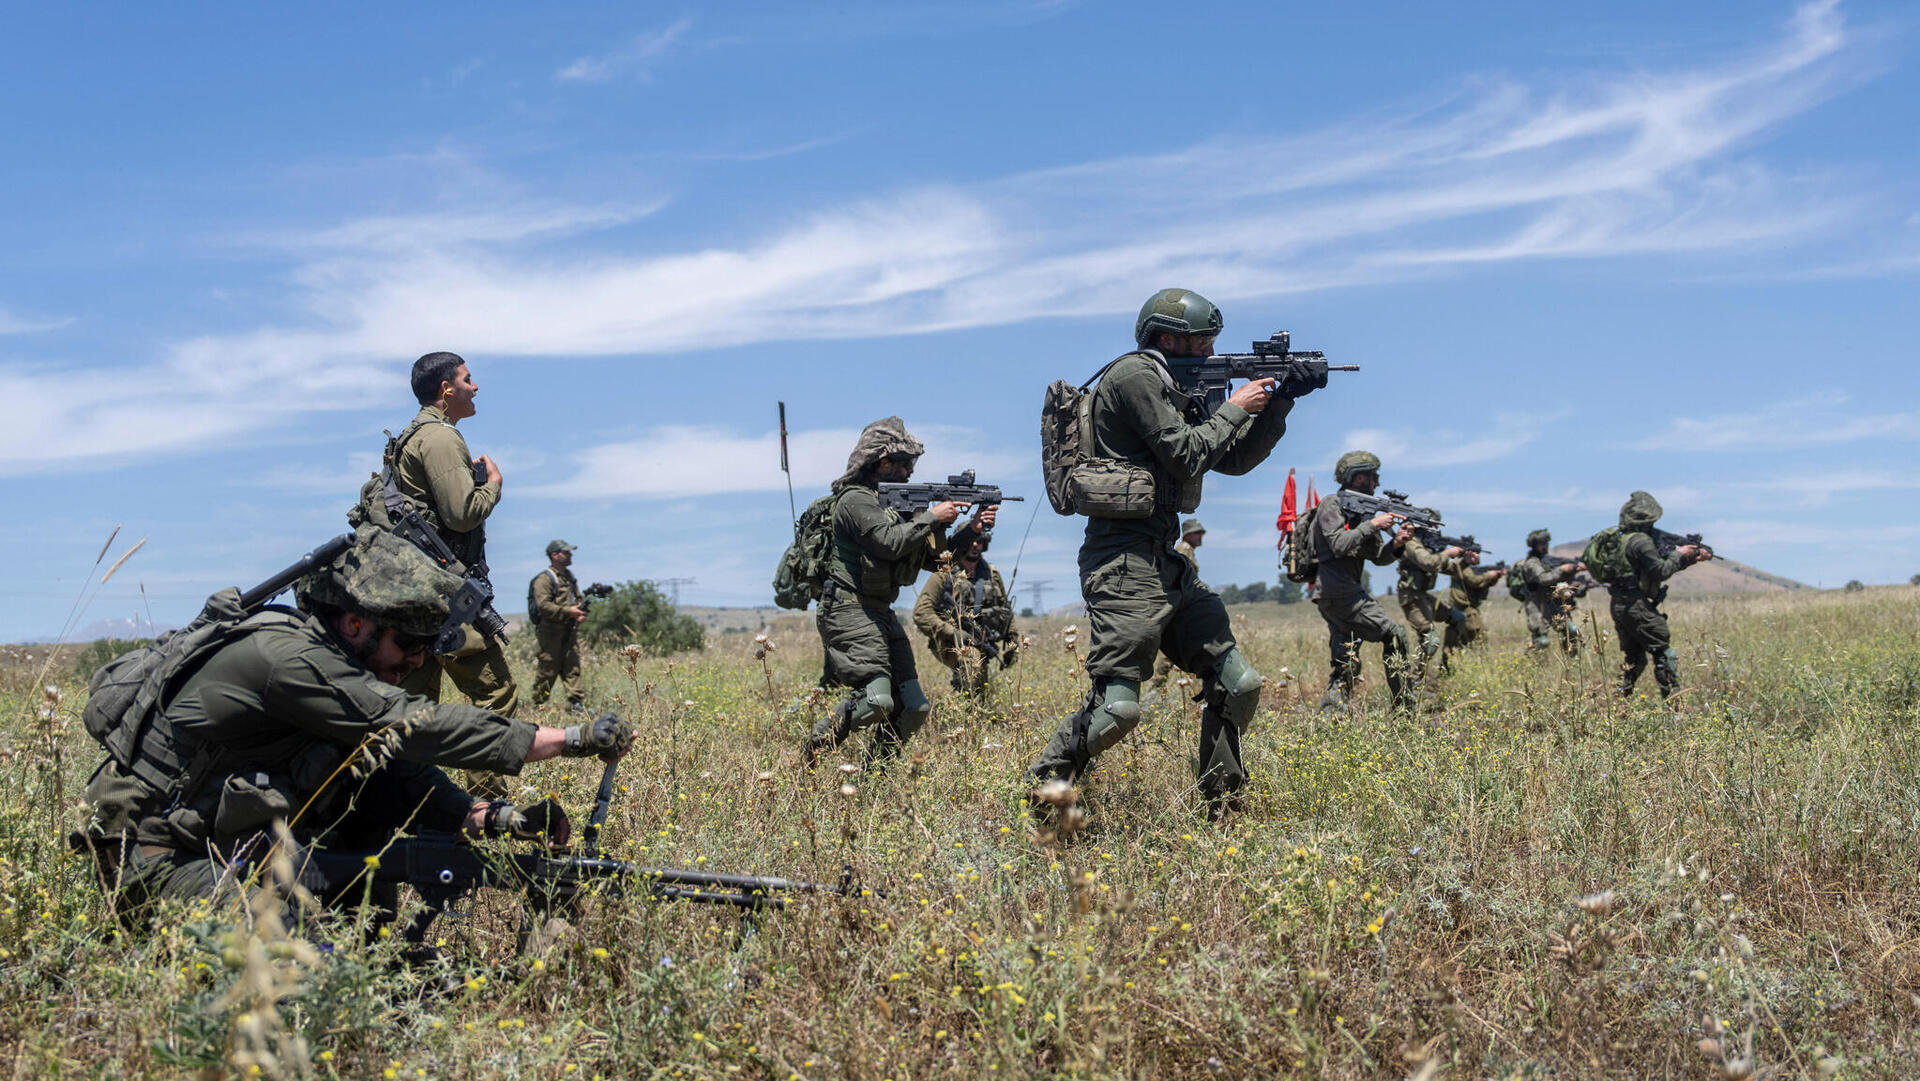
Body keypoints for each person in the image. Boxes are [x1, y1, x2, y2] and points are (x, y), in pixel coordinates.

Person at [77, 531, 633, 918]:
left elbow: (389, 771)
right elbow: (405, 724)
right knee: (294, 935)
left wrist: (486, 816)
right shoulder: (286, 659)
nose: (417, 661)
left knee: (365, 867)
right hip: (157, 862)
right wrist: (569, 739)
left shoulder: (325, 658)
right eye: (409, 644)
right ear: (354, 621)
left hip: (226, 847)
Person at [1027, 288, 1290, 819]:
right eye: (1204, 344)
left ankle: (1220, 812)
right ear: (1168, 338)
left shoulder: (1177, 384)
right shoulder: (1134, 376)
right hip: (1120, 561)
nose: (1213, 356)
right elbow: (1186, 452)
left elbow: (1230, 460)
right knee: (1117, 710)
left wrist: (1278, 404)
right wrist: (1238, 407)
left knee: (1238, 683)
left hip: (1164, 558)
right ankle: (1042, 798)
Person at [806, 417, 994, 766]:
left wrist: (971, 530)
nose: (911, 471)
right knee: (877, 701)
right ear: (882, 462)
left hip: (879, 612)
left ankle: (871, 780)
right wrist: (932, 518)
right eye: (905, 462)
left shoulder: (898, 508)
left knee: (915, 707)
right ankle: (812, 751)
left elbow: (933, 560)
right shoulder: (855, 501)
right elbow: (888, 543)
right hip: (848, 610)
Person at [1311, 450, 1417, 713]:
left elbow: (1378, 557)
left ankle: (1330, 719)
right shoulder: (1332, 505)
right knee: (1394, 635)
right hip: (1339, 592)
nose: (1377, 483)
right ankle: (1404, 710)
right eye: (1373, 477)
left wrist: (1398, 542)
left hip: (1340, 593)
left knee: (1346, 659)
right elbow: (1338, 543)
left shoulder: (1361, 514)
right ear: (1358, 478)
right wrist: (1374, 524)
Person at [1608, 491, 1710, 698]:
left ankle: (1618, 701)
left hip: (1620, 602)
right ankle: (1674, 707)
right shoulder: (1642, 542)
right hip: (1636, 605)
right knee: (1664, 654)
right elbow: (1661, 571)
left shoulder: (1621, 540)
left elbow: (1654, 568)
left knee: (1635, 658)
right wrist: (1680, 555)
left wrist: (1687, 559)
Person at [912, 531, 1016, 694]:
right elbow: (921, 612)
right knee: (971, 665)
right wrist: (953, 632)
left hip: (982, 640)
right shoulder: (944, 573)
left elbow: (1005, 609)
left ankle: (974, 712)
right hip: (949, 641)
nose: (975, 544)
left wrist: (1013, 643)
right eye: (971, 540)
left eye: (980, 541)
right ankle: (961, 709)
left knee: (981, 691)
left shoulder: (991, 573)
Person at [1395, 534, 1464, 684]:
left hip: (1423, 596)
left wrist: (1465, 561)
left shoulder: (1428, 548)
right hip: (1411, 597)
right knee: (1430, 638)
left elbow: (1445, 566)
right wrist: (1447, 553)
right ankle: (1415, 681)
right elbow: (1429, 562)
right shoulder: (1412, 543)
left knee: (1458, 618)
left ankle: (1446, 668)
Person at [529, 539, 587, 711]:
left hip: (569, 629)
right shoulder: (544, 579)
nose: (570, 555)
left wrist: (580, 614)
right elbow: (544, 606)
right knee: (548, 668)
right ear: (555, 555)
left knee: (572, 666)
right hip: (550, 631)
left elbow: (578, 600)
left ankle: (576, 704)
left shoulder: (570, 577)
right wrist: (569, 611)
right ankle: (538, 705)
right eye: (566, 552)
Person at [1514, 529, 1584, 653]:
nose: (1544, 546)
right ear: (1534, 545)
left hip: (1554, 603)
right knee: (1542, 641)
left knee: (1572, 631)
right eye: (1541, 544)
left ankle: (1572, 662)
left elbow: (1558, 581)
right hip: (1537, 604)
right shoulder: (1532, 563)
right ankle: (1531, 662)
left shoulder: (1549, 561)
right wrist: (1562, 569)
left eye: (1546, 543)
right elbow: (1544, 579)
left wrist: (1573, 570)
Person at [1434, 550, 1506, 671]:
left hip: (1465, 609)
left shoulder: (1466, 568)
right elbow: (1474, 581)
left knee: (1457, 641)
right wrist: (1489, 575)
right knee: (1477, 637)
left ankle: (1451, 668)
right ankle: (1480, 668)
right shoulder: (1462, 567)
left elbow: (1481, 584)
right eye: (1474, 554)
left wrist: (1495, 577)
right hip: (1464, 609)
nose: (1476, 557)